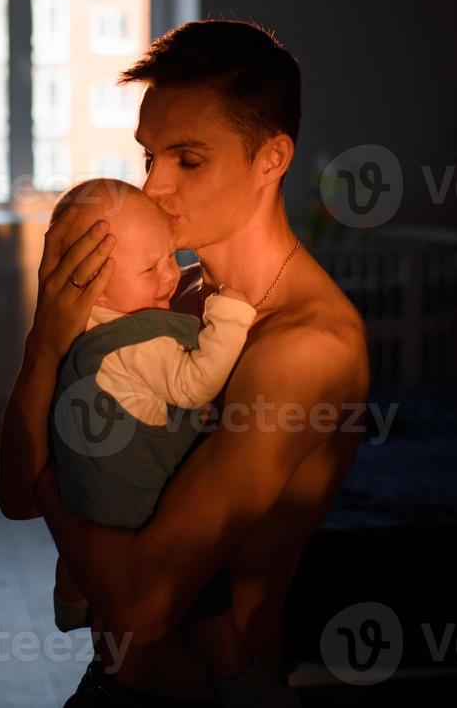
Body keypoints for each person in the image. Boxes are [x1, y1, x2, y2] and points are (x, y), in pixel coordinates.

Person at [0, 19, 370, 706]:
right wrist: (44, 346)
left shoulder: (304, 345)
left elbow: (145, 603)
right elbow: (12, 496)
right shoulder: (176, 296)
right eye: (148, 157)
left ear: (272, 159)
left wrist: (51, 477)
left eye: (188, 159)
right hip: (109, 681)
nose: (156, 186)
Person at [45, 176, 281, 706]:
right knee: (206, 600)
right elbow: (196, 380)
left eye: (172, 257)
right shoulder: (140, 342)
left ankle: (72, 597)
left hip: (87, 501)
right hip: (142, 512)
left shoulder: (84, 335)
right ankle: (243, 684)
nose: (171, 274)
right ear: (98, 287)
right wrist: (232, 311)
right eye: (150, 269)